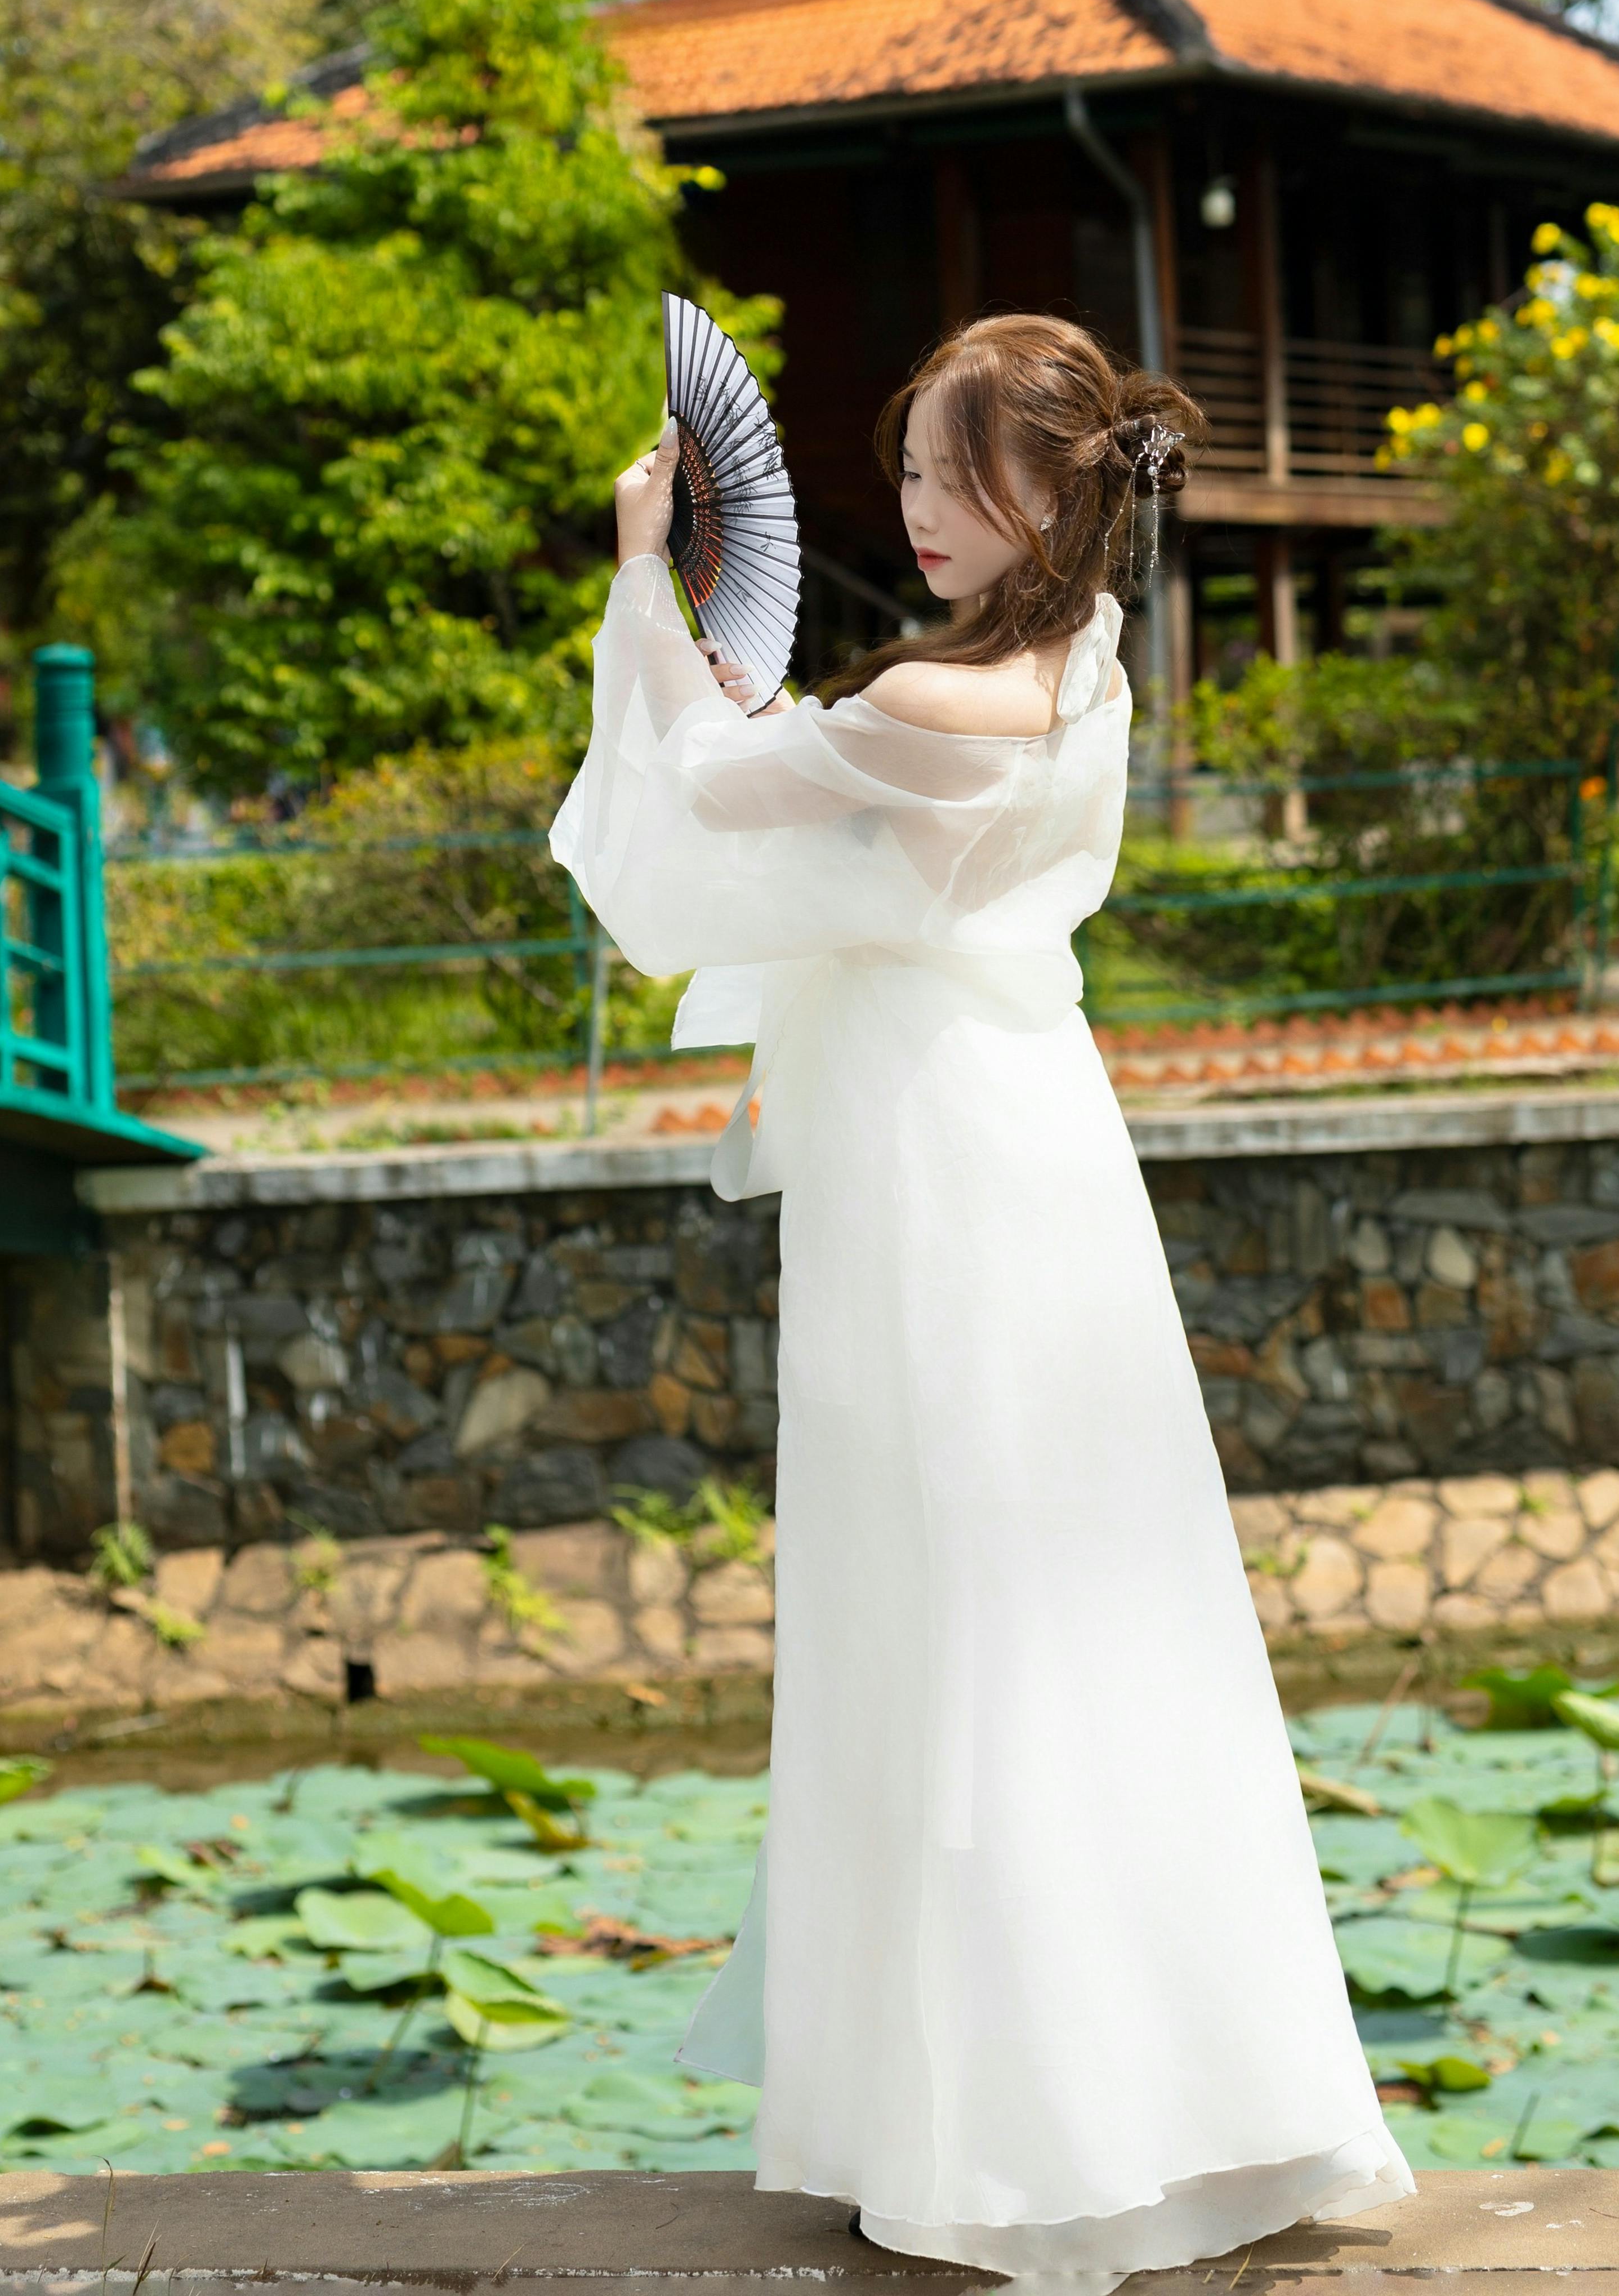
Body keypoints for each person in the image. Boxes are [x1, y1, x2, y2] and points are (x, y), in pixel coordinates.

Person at [549, 313, 1409, 2292]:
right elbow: (768, 772)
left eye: (951, 474)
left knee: (954, 1603)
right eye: (913, 473)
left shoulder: (938, 710)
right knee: (1061, 1598)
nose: (916, 511)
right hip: (1022, 1150)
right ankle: (1150, 2100)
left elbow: (694, 793)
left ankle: (1006, 2138)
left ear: (1052, 486)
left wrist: (638, 579)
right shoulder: (1081, 664)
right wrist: (745, 674)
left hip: (943, 1175)